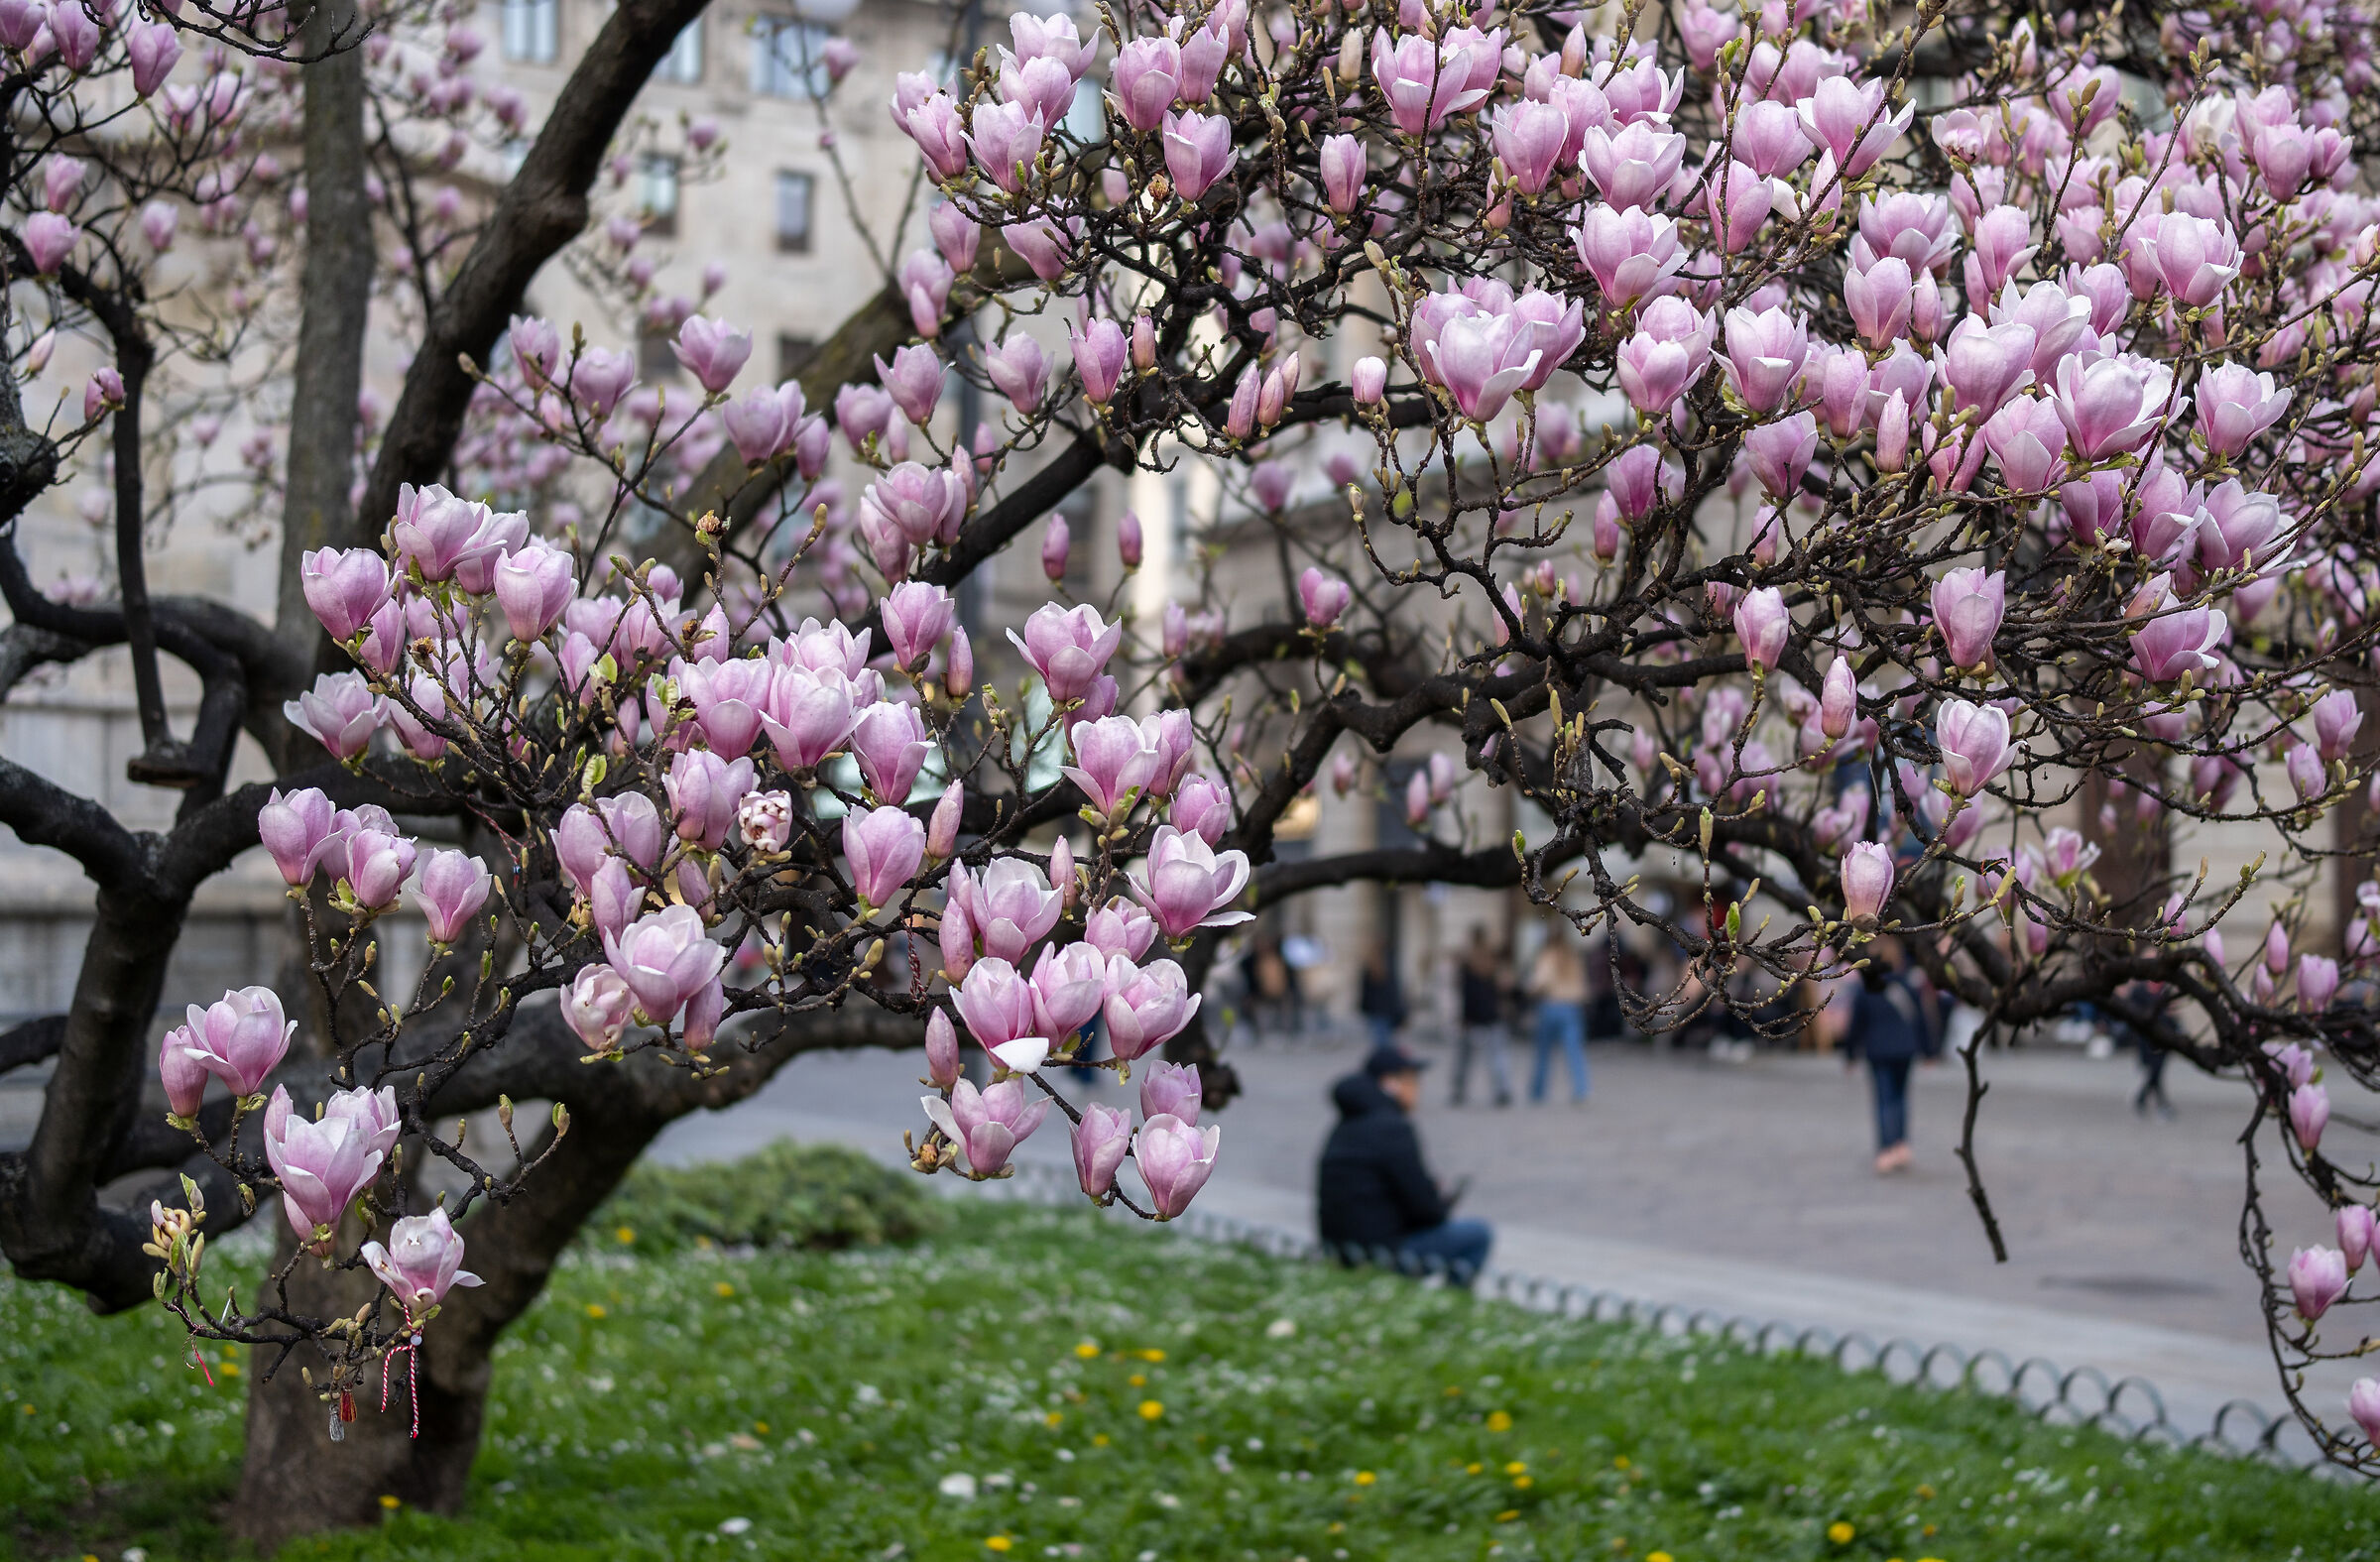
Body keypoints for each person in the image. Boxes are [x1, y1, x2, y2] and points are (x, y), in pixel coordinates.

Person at [1316, 1047, 1493, 1283]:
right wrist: (1438, 1200)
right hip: (1381, 1254)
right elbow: (1425, 1208)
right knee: (1477, 1234)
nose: (1417, 1089)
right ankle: (1451, 1308)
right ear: (1391, 1083)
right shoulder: (1393, 1128)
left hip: (1341, 1249)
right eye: (1412, 1080)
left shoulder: (1348, 1123)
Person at [1825, 937, 1942, 1172]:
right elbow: (1920, 1020)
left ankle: (1887, 1148)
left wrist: (1849, 1055)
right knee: (1900, 1098)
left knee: (1884, 1100)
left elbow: (1856, 1024)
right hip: (1905, 1049)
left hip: (1878, 1050)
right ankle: (1900, 1144)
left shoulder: (1866, 988)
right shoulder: (1908, 984)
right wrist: (1929, 1051)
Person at [1525, 929, 1591, 1103]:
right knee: (1574, 1052)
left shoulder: (1548, 956)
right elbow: (1583, 987)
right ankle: (1581, 1090)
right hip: (1572, 1008)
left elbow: (1540, 982)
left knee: (1543, 1053)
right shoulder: (1573, 958)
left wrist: (1529, 990)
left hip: (1551, 1006)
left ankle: (1538, 1092)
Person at [1452, 925, 1513, 1107]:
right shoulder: (1493, 962)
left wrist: (1464, 1017)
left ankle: (1459, 1090)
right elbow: (1504, 988)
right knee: (1497, 1057)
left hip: (1472, 1017)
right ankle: (1501, 1090)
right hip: (1492, 1015)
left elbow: (1465, 994)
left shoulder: (1467, 963)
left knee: (1465, 1058)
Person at [1357, 943, 1406, 1054]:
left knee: (1379, 1041)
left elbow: (1365, 993)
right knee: (1386, 1041)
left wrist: (1364, 1008)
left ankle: (1382, 1063)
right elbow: (1394, 992)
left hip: (1374, 1010)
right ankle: (1385, 1063)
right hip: (1387, 1010)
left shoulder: (1369, 969)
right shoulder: (1388, 969)